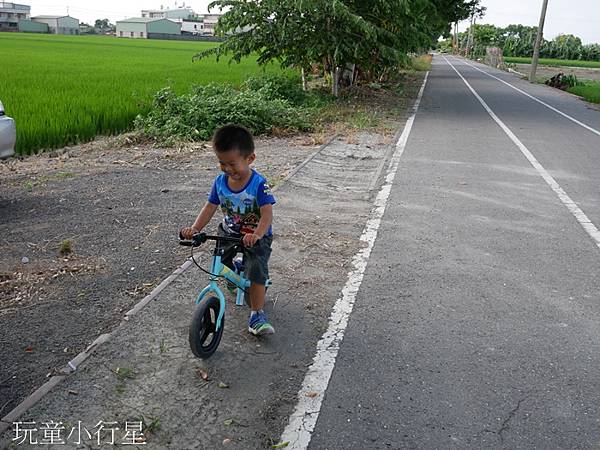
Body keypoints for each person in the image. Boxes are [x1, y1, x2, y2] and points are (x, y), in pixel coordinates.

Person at [180, 125, 276, 336]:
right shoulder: (220, 182)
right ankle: (235, 271)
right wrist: (195, 229)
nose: (227, 169)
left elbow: (267, 214)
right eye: (222, 163)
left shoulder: (258, 184)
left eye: (232, 163)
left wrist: (258, 234)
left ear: (250, 158)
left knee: (256, 273)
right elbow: (210, 207)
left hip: (255, 235)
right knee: (221, 262)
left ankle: (257, 314)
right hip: (229, 232)